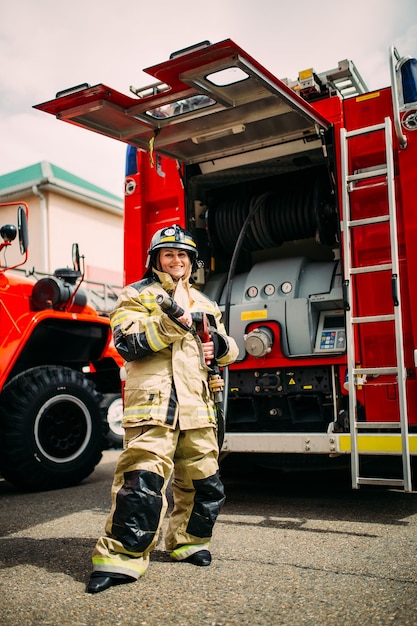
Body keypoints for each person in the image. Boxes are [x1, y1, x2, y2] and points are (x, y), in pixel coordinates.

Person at [87, 224, 239, 594]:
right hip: (154, 405)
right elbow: (127, 342)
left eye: (182, 255)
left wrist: (217, 345)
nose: (176, 260)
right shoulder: (137, 295)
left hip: (198, 405)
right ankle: (120, 560)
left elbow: (231, 349)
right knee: (141, 483)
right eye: (168, 254)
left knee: (204, 482)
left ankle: (189, 542)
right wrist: (173, 322)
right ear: (155, 259)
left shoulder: (204, 301)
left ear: (191, 261)